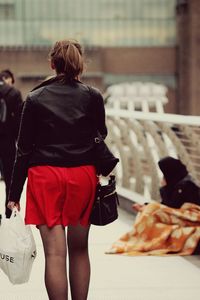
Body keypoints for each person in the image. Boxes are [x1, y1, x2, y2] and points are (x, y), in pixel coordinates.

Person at [7, 40, 108, 300]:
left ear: (52, 64)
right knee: (79, 250)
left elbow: (24, 149)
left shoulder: (35, 98)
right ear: (80, 64)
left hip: (45, 176)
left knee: (54, 254)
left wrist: (13, 194)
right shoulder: (93, 96)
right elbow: (101, 134)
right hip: (81, 175)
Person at [133, 156, 200, 212]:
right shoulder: (178, 184)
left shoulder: (187, 186)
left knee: (148, 216)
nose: (163, 178)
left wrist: (164, 188)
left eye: (164, 175)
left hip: (190, 220)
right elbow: (165, 205)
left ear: (170, 173)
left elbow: (172, 207)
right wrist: (147, 205)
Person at [0, 69, 23, 218]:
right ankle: (9, 215)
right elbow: (19, 123)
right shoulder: (14, 93)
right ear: (9, 79)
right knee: (9, 179)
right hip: (7, 143)